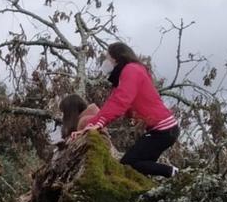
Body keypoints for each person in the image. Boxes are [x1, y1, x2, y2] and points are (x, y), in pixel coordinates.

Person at [73, 42, 180, 178]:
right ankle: (166, 180)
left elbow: (120, 101)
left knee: (129, 164)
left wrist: (98, 124)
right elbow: (111, 104)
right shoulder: (128, 73)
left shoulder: (131, 70)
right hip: (162, 130)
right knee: (136, 167)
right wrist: (88, 126)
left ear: (116, 58)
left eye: (107, 58)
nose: (105, 61)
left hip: (163, 130)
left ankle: (175, 174)